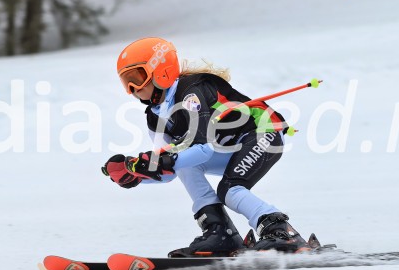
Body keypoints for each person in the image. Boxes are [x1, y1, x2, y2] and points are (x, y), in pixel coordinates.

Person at [102, 36, 309, 256]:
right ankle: (220, 233)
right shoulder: (155, 117)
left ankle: (280, 230)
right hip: (231, 146)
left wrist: (161, 160)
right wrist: (136, 173)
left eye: (137, 78)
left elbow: (203, 148)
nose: (133, 89)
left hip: (262, 133)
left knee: (230, 189)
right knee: (184, 165)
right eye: (126, 82)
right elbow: (170, 170)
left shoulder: (191, 93)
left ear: (160, 71)